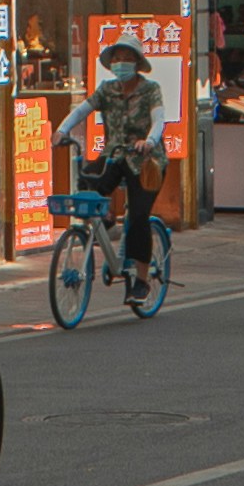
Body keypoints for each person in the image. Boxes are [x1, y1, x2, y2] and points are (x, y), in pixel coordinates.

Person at [54, 37, 165, 306]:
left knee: (139, 217)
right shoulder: (106, 90)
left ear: (137, 62)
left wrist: (149, 142)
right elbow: (82, 110)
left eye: (125, 58)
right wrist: (61, 130)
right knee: (86, 183)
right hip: (113, 157)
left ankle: (140, 281)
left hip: (145, 162)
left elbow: (158, 119)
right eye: (115, 59)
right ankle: (106, 218)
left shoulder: (150, 90)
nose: (119, 63)